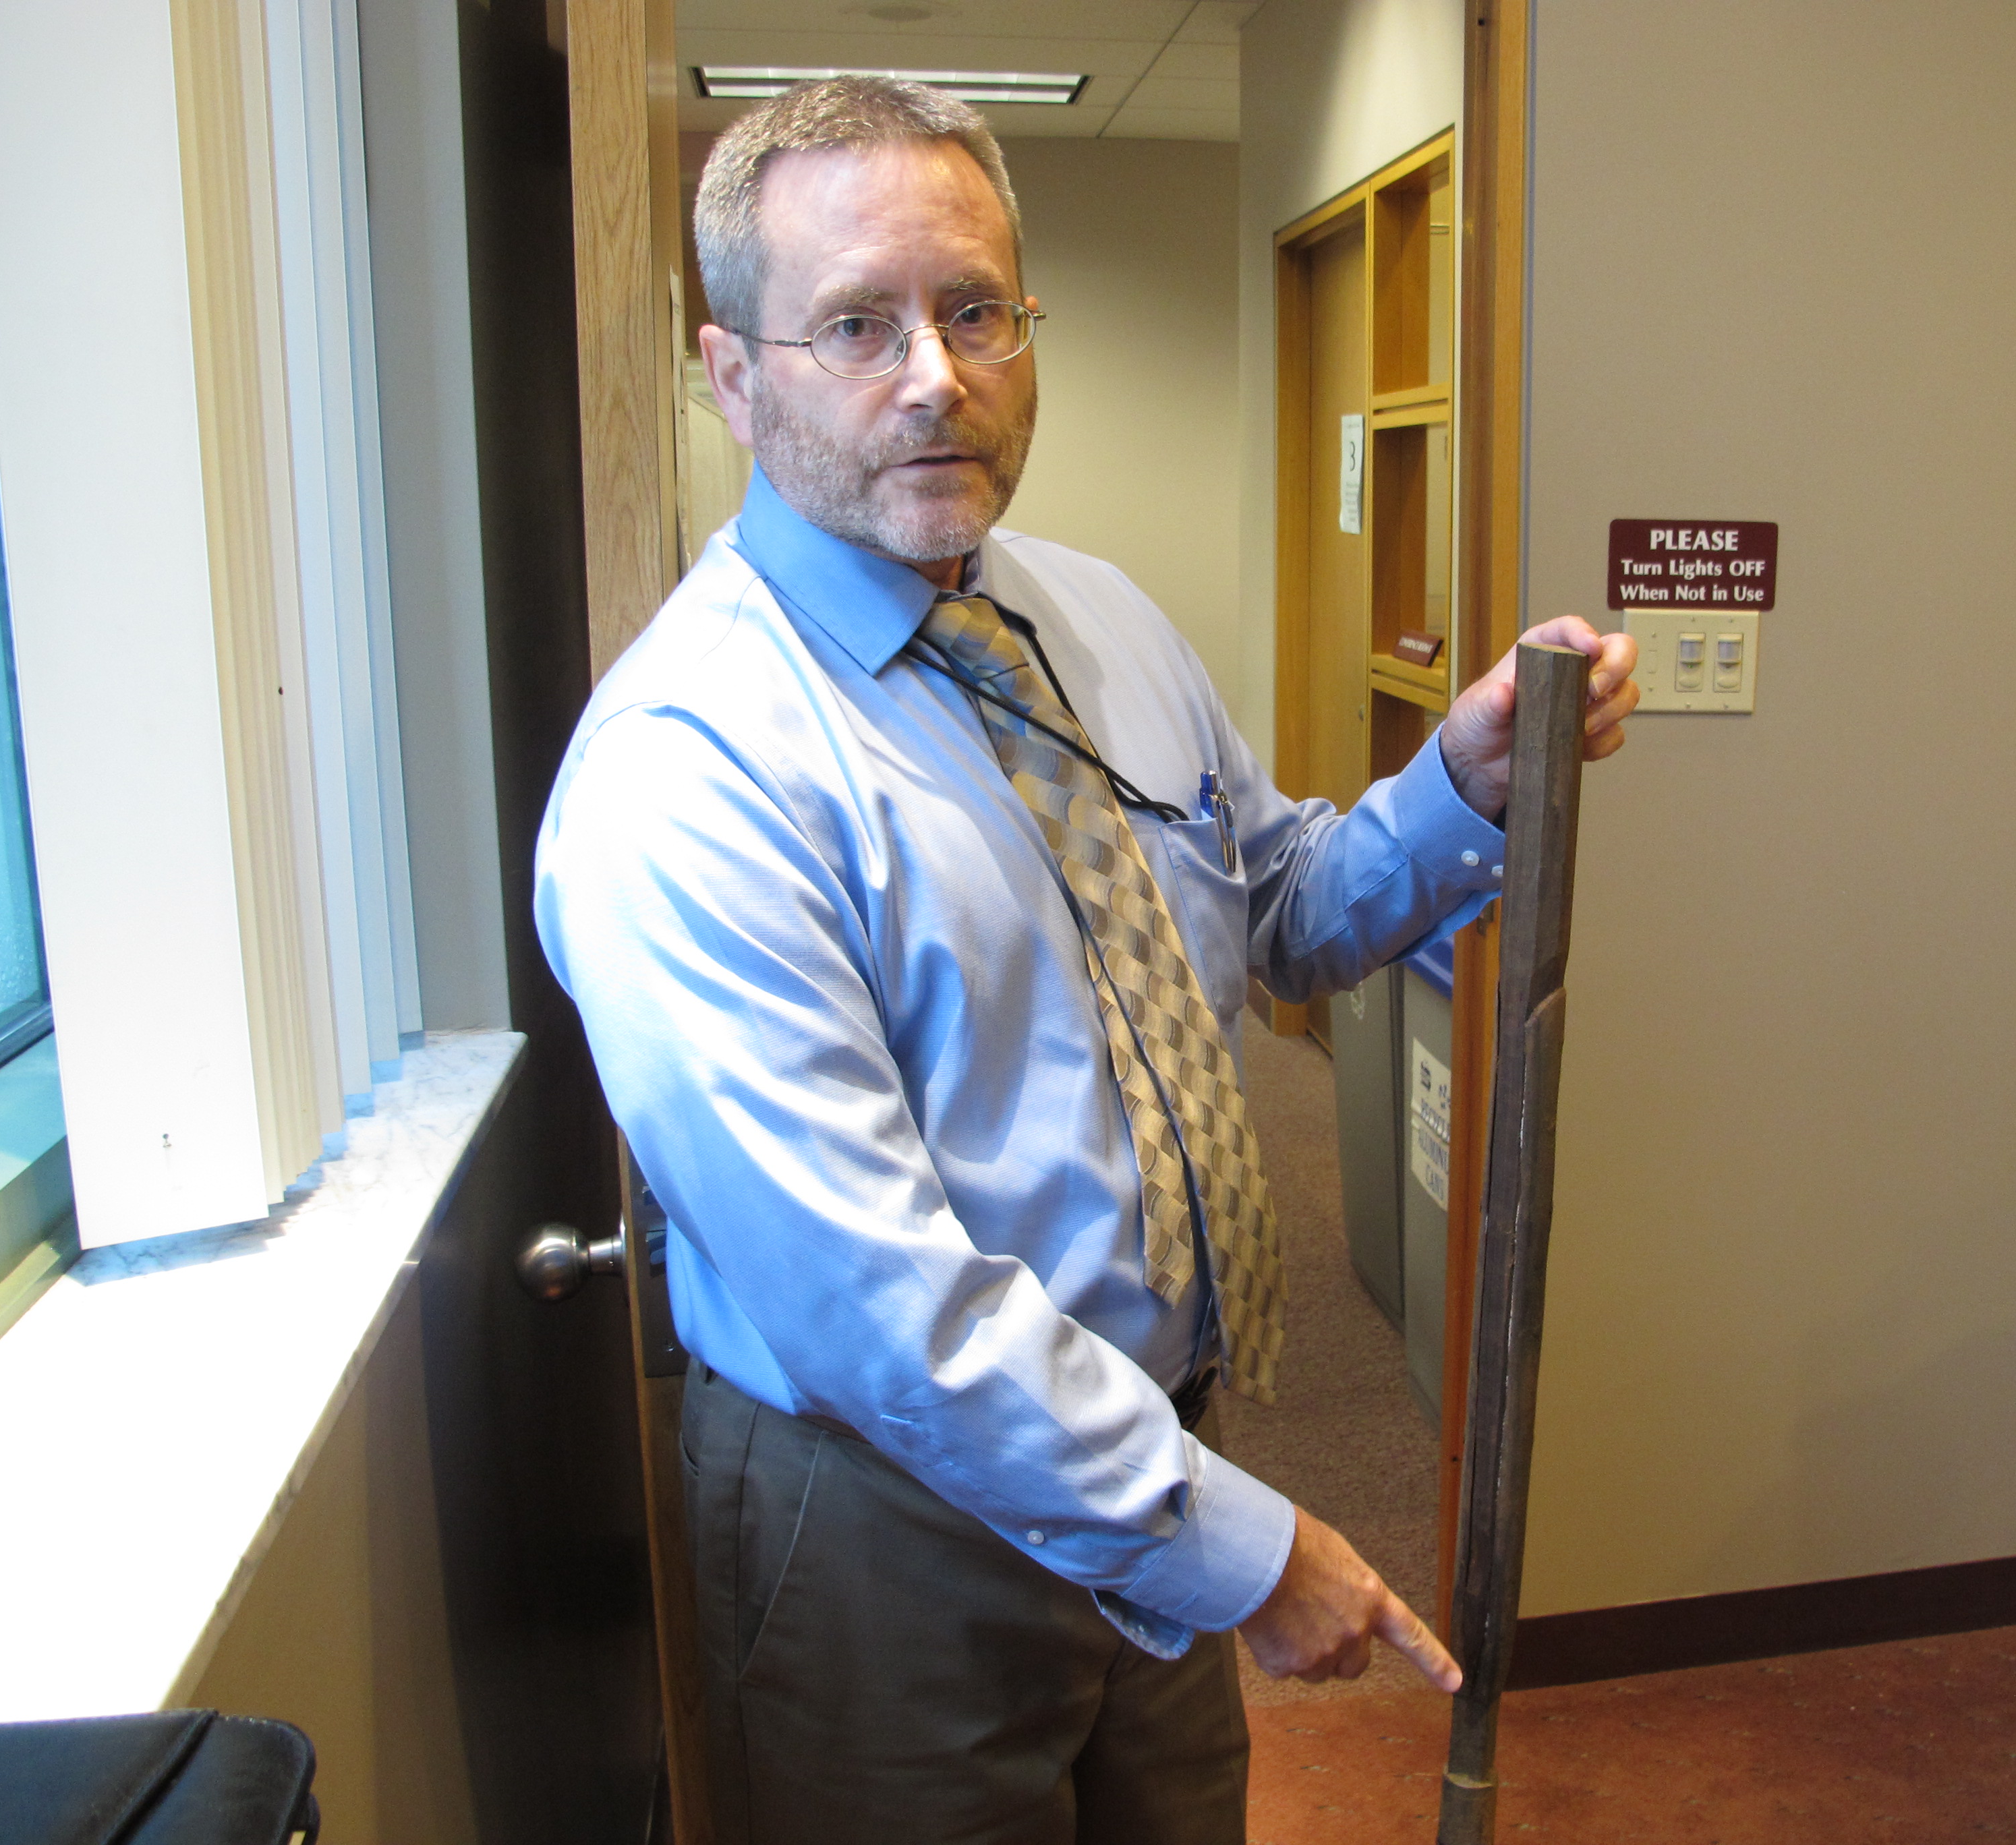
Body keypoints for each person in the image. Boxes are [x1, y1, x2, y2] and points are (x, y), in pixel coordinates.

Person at [534, 75, 1637, 1845]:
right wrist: (1245, 1546)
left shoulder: (1096, 620)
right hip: (889, 1524)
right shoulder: (690, 769)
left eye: (976, 313)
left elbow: (1281, 907)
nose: (932, 377)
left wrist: (1461, 787)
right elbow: (883, 1310)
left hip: (1141, 1456)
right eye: (856, 325)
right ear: (734, 376)